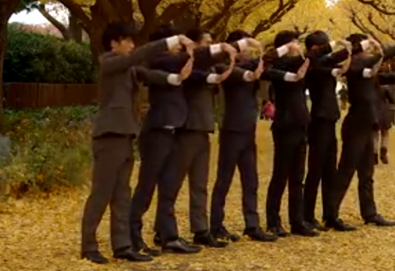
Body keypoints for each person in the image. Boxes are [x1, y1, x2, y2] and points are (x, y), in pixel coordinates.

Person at [80, 22, 193, 265]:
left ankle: (122, 245)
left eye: (133, 41)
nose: (132, 45)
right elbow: (140, 56)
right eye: (128, 40)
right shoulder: (109, 62)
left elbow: (150, 75)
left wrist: (176, 78)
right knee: (102, 193)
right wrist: (171, 41)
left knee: (122, 194)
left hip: (126, 135)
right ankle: (88, 246)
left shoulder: (129, 68)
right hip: (109, 136)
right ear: (114, 43)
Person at [130, 25, 236, 255]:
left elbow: (196, 67)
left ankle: (169, 236)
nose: (179, 46)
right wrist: (224, 47)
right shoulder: (158, 60)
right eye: (174, 42)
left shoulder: (174, 62)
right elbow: (191, 60)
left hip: (172, 132)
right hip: (157, 131)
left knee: (168, 187)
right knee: (146, 187)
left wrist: (219, 67)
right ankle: (133, 236)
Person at [324, 35, 395, 231]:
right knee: (346, 171)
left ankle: (369, 213)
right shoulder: (354, 65)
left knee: (367, 173)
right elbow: (378, 58)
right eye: (367, 46)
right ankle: (331, 215)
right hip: (355, 126)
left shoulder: (369, 72)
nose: (370, 50)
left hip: (368, 125)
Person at [209, 30, 278, 243]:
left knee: (251, 180)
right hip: (232, 130)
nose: (247, 51)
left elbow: (265, 62)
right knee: (224, 180)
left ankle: (252, 225)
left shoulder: (250, 66)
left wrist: (264, 50)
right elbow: (242, 72)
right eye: (243, 47)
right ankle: (216, 225)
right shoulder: (225, 67)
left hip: (248, 131)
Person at [263, 31, 316, 237]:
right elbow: (265, 62)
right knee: (280, 176)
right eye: (293, 43)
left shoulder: (299, 64)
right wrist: (285, 49)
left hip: (301, 124)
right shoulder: (278, 66)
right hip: (285, 126)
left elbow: (314, 59)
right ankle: (273, 221)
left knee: (297, 177)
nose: (297, 47)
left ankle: (297, 221)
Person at [302, 31, 352, 231]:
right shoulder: (312, 65)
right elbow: (329, 59)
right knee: (315, 170)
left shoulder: (324, 64)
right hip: (319, 121)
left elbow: (339, 62)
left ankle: (330, 215)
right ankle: (307, 216)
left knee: (330, 171)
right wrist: (339, 46)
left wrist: (350, 50)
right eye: (322, 47)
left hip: (330, 120)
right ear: (315, 48)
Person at [374, 81, 395, 165]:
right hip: (384, 113)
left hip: (373, 113)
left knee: (374, 135)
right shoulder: (385, 88)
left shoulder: (370, 88)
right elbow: (392, 100)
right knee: (385, 134)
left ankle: (374, 155)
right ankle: (383, 152)